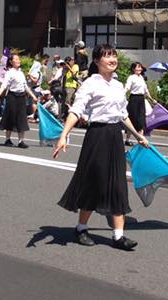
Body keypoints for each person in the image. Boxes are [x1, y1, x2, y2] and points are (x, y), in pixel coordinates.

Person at [53, 44, 149, 251]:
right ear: (97, 61)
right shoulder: (90, 84)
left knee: (118, 183)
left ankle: (118, 236)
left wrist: (137, 135)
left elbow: (122, 115)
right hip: (97, 135)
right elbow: (76, 111)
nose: (113, 59)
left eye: (114, 55)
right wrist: (64, 135)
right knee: (94, 181)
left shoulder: (118, 85)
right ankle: (81, 228)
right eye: (107, 56)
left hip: (115, 136)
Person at [0, 54, 37, 148]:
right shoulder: (9, 73)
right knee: (11, 117)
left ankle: (21, 141)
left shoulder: (21, 72)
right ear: (11, 62)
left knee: (22, 118)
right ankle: (7, 139)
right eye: (16, 59)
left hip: (21, 97)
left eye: (18, 59)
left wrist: (33, 96)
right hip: (12, 97)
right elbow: (4, 85)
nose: (18, 60)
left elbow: (25, 86)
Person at [124, 62, 153, 140]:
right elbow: (127, 87)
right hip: (134, 99)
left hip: (141, 100)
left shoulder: (141, 78)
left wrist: (151, 99)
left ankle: (141, 140)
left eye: (140, 67)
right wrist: (122, 94)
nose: (140, 69)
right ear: (133, 69)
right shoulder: (131, 77)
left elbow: (146, 90)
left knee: (141, 120)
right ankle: (127, 139)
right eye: (138, 67)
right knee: (132, 119)